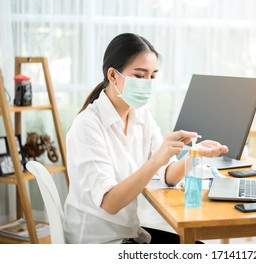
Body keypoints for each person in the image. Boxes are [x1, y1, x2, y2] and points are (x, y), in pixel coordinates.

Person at [63, 33, 229, 244]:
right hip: (100, 242)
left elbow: (168, 175)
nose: (147, 83)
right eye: (139, 76)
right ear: (113, 76)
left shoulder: (141, 115)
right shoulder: (87, 126)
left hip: (130, 235)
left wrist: (195, 154)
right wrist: (157, 158)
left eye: (152, 76)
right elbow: (110, 203)